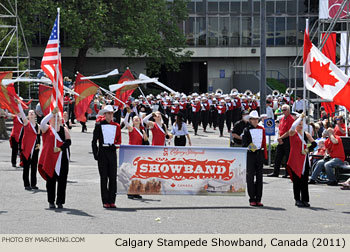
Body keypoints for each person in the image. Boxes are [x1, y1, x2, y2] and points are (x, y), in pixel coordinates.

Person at [39, 108, 71, 209]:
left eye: (58, 117)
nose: (56, 119)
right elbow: (42, 122)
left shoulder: (63, 129)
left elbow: (68, 142)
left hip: (62, 157)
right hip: (50, 159)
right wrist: (51, 113)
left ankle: (60, 201)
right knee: (51, 180)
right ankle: (51, 201)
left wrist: (60, 148)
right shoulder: (46, 128)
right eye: (54, 117)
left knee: (62, 180)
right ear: (50, 119)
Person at [92, 105, 122, 208]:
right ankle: (105, 200)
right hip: (102, 153)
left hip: (112, 153)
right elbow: (94, 141)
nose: (110, 115)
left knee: (113, 177)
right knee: (104, 177)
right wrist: (96, 154)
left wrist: (115, 145)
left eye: (111, 113)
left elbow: (119, 140)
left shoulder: (117, 126)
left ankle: (112, 200)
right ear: (104, 115)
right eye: (108, 113)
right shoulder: (99, 125)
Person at [287, 113, 316, 207]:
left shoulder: (306, 134)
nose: (300, 126)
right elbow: (292, 126)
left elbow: (314, 144)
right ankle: (297, 199)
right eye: (299, 124)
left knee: (304, 179)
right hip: (295, 159)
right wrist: (300, 117)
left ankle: (305, 199)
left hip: (304, 158)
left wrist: (307, 150)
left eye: (301, 124)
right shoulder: (292, 132)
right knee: (296, 180)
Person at [242, 110, 267, 207]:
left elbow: (264, 142)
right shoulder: (246, 130)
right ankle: (252, 198)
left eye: (257, 119)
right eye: (253, 119)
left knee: (260, 177)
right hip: (251, 155)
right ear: (250, 120)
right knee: (250, 177)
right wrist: (254, 149)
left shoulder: (262, 129)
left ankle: (258, 198)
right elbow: (245, 143)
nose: (255, 121)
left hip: (259, 154)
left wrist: (263, 155)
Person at [16, 99, 41, 190]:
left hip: (35, 149)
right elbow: (22, 113)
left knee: (34, 167)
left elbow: (38, 137)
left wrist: (38, 146)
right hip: (27, 149)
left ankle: (33, 184)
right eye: (29, 113)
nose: (31, 113)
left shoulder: (38, 126)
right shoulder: (26, 123)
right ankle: (27, 184)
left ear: (34, 115)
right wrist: (19, 104)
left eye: (32, 113)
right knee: (26, 167)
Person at [268, 104, 294, 177]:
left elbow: (289, 131)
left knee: (287, 157)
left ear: (288, 110)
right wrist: (279, 137)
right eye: (282, 110)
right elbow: (280, 129)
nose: (283, 111)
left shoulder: (291, 119)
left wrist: (281, 138)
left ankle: (287, 173)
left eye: (285, 110)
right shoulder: (282, 119)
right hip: (281, 138)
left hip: (287, 139)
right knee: (277, 157)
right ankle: (275, 172)